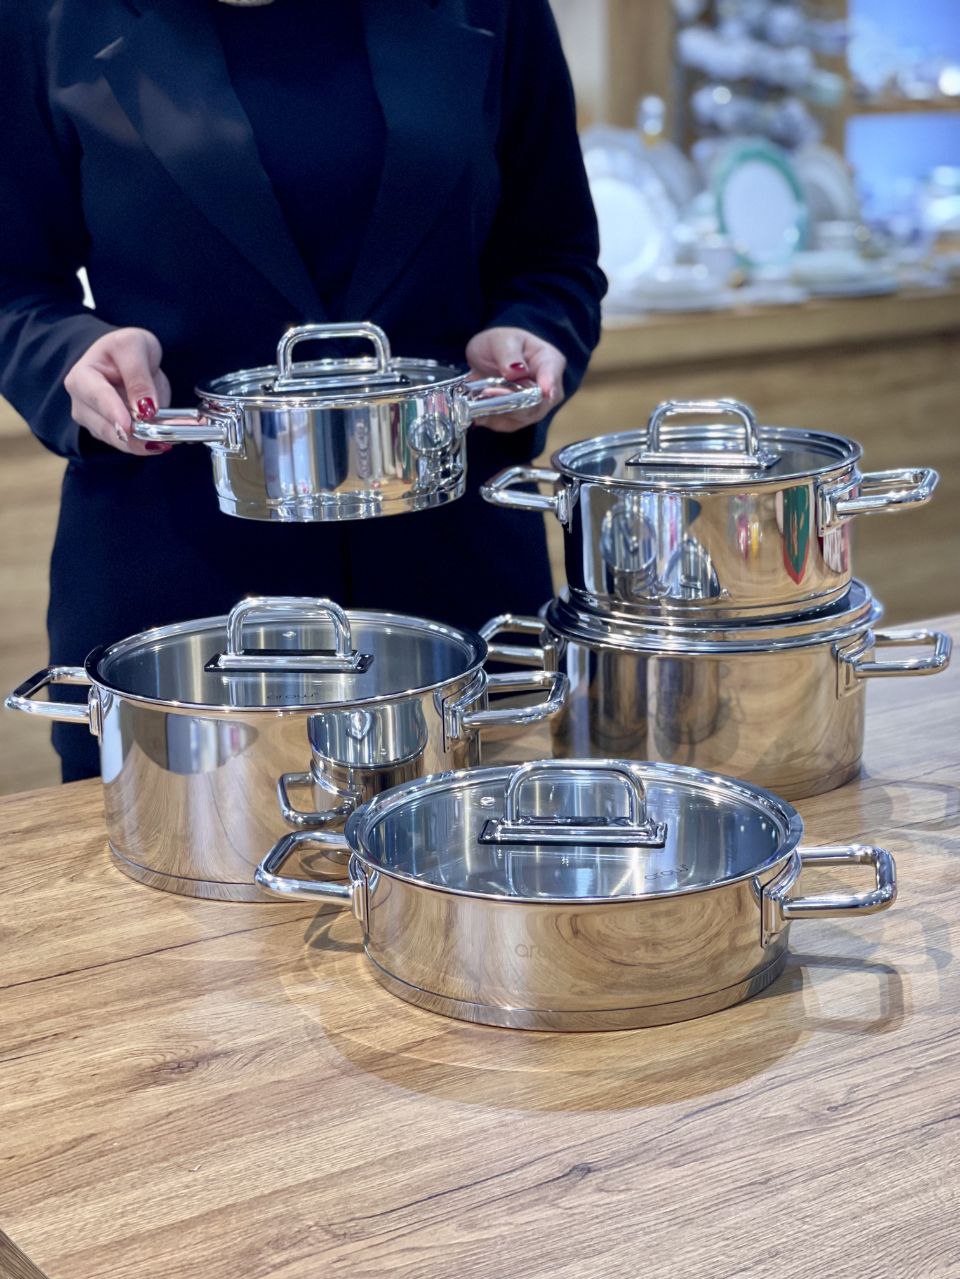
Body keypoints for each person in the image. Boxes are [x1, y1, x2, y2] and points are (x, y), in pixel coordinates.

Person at [0, 0, 605, 781]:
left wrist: (532, 333)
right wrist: (73, 356)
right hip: (177, 594)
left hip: (455, 576)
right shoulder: (44, 17)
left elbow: (553, 255)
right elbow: (14, 284)